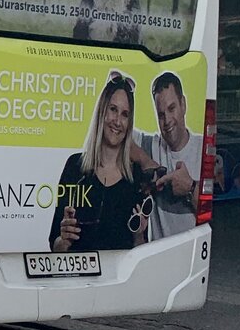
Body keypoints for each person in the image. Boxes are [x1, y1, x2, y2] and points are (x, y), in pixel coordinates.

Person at [50, 72, 150, 253]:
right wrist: (63, 240)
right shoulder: (74, 166)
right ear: (102, 112)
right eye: (113, 109)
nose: (117, 121)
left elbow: (140, 253)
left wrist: (139, 235)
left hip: (120, 280)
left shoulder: (136, 177)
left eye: (125, 114)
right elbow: (55, 247)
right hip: (77, 278)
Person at [131, 71, 202, 240]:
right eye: (161, 114)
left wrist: (190, 188)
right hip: (160, 259)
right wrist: (146, 160)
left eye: (172, 109)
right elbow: (114, 132)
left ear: (183, 104)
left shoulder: (203, 148)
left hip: (193, 256)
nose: (167, 120)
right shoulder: (150, 145)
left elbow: (219, 217)